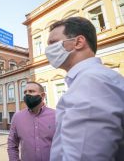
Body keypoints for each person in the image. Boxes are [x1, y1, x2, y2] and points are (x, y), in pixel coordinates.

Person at [45, 17, 124, 160]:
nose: (47, 50)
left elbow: (82, 156)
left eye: (53, 43)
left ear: (79, 42)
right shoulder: (93, 79)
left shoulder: (91, 82)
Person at [7, 81, 55, 161]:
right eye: (25, 92)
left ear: (42, 96)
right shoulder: (17, 117)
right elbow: (12, 144)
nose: (27, 94)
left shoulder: (56, 116)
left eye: (31, 91)